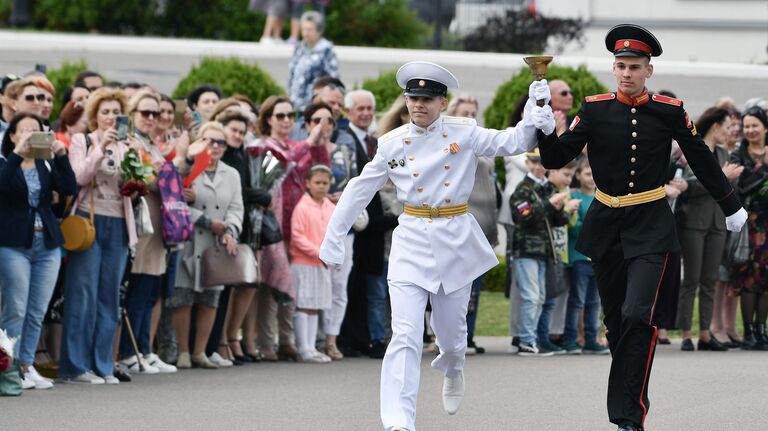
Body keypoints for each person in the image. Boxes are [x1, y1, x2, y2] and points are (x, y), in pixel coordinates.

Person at [319, 61, 553, 430]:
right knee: (405, 334)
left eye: (427, 98)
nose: (418, 105)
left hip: (455, 237)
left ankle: (454, 366)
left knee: (452, 335)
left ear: (442, 102)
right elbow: (358, 189)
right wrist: (333, 238)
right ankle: (399, 421)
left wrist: (535, 108)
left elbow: (516, 142)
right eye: (413, 98)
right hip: (411, 238)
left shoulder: (467, 132)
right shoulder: (392, 143)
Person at [536, 24, 747, 431]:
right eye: (620, 66)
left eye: (634, 66)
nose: (626, 73)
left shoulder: (668, 111)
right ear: (613, 69)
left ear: (648, 70)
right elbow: (556, 158)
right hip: (606, 224)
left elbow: (701, 158)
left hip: (650, 224)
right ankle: (631, 400)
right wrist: (545, 125)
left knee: (637, 316)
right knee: (617, 322)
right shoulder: (595, 109)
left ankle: (628, 416)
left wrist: (730, 205)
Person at [58, 88, 138, 385]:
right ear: (94, 115)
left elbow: (135, 184)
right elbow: (79, 176)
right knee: (82, 294)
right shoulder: (83, 140)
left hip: (118, 223)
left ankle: (103, 364)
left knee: (109, 297)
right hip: (89, 221)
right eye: (105, 111)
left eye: (116, 112)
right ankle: (75, 367)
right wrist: (101, 146)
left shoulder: (127, 144)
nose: (110, 117)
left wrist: (138, 175)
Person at [0, 112, 77, 389]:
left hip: (46, 244)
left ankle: (26, 364)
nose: (32, 135)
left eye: (37, 130)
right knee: (16, 308)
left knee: (36, 310)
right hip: (13, 244)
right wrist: (17, 156)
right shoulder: (5, 163)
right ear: (11, 135)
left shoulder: (45, 164)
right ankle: (7, 368)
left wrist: (61, 155)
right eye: (25, 130)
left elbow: (69, 187)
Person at [253, 95, 330, 361]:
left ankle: (287, 340)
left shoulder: (297, 145)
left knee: (291, 286)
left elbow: (321, 169)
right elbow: (280, 164)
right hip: (272, 224)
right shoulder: (264, 146)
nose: (286, 120)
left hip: (297, 223)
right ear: (268, 119)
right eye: (280, 115)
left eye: (290, 115)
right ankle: (265, 342)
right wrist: (308, 143)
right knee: (270, 285)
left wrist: (318, 143)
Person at [168, 121, 244, 369]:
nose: (215, 146)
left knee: (210, 298)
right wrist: (206, 221)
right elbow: (174, 201)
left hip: (215, 244)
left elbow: (236, 208)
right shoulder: (189, 168)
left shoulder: (231, 174)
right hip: (190, 237)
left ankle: (200, 351)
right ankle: (183, 351)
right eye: (210, 141)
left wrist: (231, 230)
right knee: (183, 296)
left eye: (220, 142)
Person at [677, 107, 742, 351]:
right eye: (727, 127)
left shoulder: (725, 153)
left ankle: (705, 333)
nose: (730, 132)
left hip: (718, 222)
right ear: (715, 126)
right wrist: (721, 176)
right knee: (690, 280)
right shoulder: (693, 150)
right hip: (694, 221)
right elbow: (687, 186)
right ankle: (685, 333)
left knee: (709, 280)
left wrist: (726, 178)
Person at [510, 150, 573, 356]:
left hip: (544, 251)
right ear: (527, 163)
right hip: (527, 251)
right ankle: (526, 341)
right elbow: (524, 217)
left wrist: (564, 210)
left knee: (540, 296)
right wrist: (550, 204)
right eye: (534, 162)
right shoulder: (523, 189)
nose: (538, 167)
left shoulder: (546, 188)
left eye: (542, 163)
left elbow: (557, 221)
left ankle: (532, 339)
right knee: (532, 297)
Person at [561, 158, 610, 355]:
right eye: (588, 174)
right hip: (579, 257)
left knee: (595, 302)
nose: (592, 178)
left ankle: (591, 339)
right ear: (578, 175)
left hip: (599, 260)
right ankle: (570, 339)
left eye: (595, 174)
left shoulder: (604, 198)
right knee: (577, 300)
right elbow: (574, 229)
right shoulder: (575, 198)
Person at [729, 107, 768, 350]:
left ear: (765, 127)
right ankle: (748, 331)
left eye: (755, 125)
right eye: (747, 126)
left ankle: (761, 329)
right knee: (748, 278)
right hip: (748, 224)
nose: (750, 130)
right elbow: (740, 189)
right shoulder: (737, 156)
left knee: (766, 280)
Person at [291, 164, 335, 362]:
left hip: (322, 264)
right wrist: (319, 252)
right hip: (304, 263)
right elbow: (297, 236)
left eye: (325, 183)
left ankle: (311, 347)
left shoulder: (330, 207)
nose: (321, 187)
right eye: (317, 182)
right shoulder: (302, 207)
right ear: (308, 184)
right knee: (303, 304)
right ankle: (304, 348)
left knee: (315, 304)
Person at [287, 11, 340, 112]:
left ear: (319, 31)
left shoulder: (326, 51)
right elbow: (292, 76)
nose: (305, 33)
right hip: (295, 105)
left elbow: (334, 80)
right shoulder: (299, 48)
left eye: (310, 30)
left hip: (314, 107)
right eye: (304, 29)